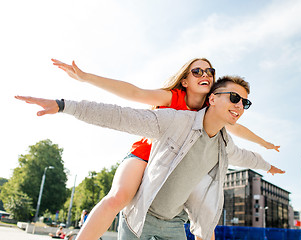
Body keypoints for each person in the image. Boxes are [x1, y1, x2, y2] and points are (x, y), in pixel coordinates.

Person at [15, 75, 285, 240]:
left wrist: (269, 165)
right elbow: (121, 114)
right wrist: (65, 105)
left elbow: (247, 156)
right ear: (212, 98)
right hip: (140, 217)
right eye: (235, 97)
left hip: (175, 224)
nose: (240, 106)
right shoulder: (175, 117)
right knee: (117, 197)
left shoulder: (225, 145)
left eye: (245, 103)